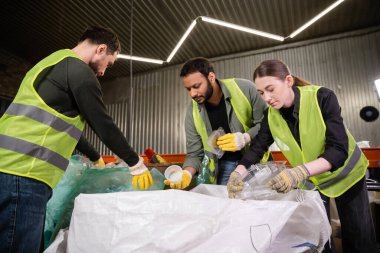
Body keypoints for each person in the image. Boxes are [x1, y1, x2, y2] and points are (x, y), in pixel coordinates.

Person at [0, 26, 153, 253]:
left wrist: (95, 156)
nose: (103, 72)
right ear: (100, 49)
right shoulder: (81, 72)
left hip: (9, 169)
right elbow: (103, 124)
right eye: (108, 64)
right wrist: (135, 163)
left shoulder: (53, 61)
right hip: (24, 174)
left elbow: (62, 124)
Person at [227, 59, 377, 253]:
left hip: (347, 176)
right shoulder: (272, 115)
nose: (267, 98)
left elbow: (338, 149)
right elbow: (257, 148)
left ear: (288, 80)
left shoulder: (322, 97)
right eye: (262, 93)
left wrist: (297, 173)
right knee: (320, 237)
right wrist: (238, 173)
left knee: (358, 239)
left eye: (271, 89)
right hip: (315, 180)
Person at [165, 57, 267, 189]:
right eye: (188, 89)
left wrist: (246, 137)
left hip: (255, 162)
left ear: (211, 77)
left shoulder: (244, 89)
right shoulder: (192, 112)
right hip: (224, 167)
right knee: (228, 206)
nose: (192, 94)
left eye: (196, 86)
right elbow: (194, 153)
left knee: (261, 203)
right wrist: (186, 174)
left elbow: (267, 124)